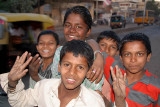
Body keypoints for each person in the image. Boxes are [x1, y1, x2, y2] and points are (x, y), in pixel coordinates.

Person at [0, 40, 105, 107]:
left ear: (88, 72)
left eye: (80, 67)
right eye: (67, 65)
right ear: (59, 66)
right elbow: (19, 102)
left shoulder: (93, 102)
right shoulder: (43, 87)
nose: (72, 73)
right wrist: (12, 83)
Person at [29, 6, 104, 92]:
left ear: (88, 31)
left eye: (78, 27)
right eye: (68, 25)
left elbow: (95, 94)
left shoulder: (92, 58)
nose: (72, 30)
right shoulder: (59, 52)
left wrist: (98, 55)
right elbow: (54, 87)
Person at [108, 33, 160, 106]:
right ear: (121, 58)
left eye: (139, 54)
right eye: (127, 54)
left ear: (148, 57)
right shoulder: (113, 71)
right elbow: (92, 44)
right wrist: (98, 56)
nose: (133, 60)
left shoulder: (156, 86)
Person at [96, 30, 121, 101]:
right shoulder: (91, 65)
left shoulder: (116, 72)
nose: (107, 50)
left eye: (112, 47)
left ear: (117, 52)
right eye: (103, 45)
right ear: (96, 46)